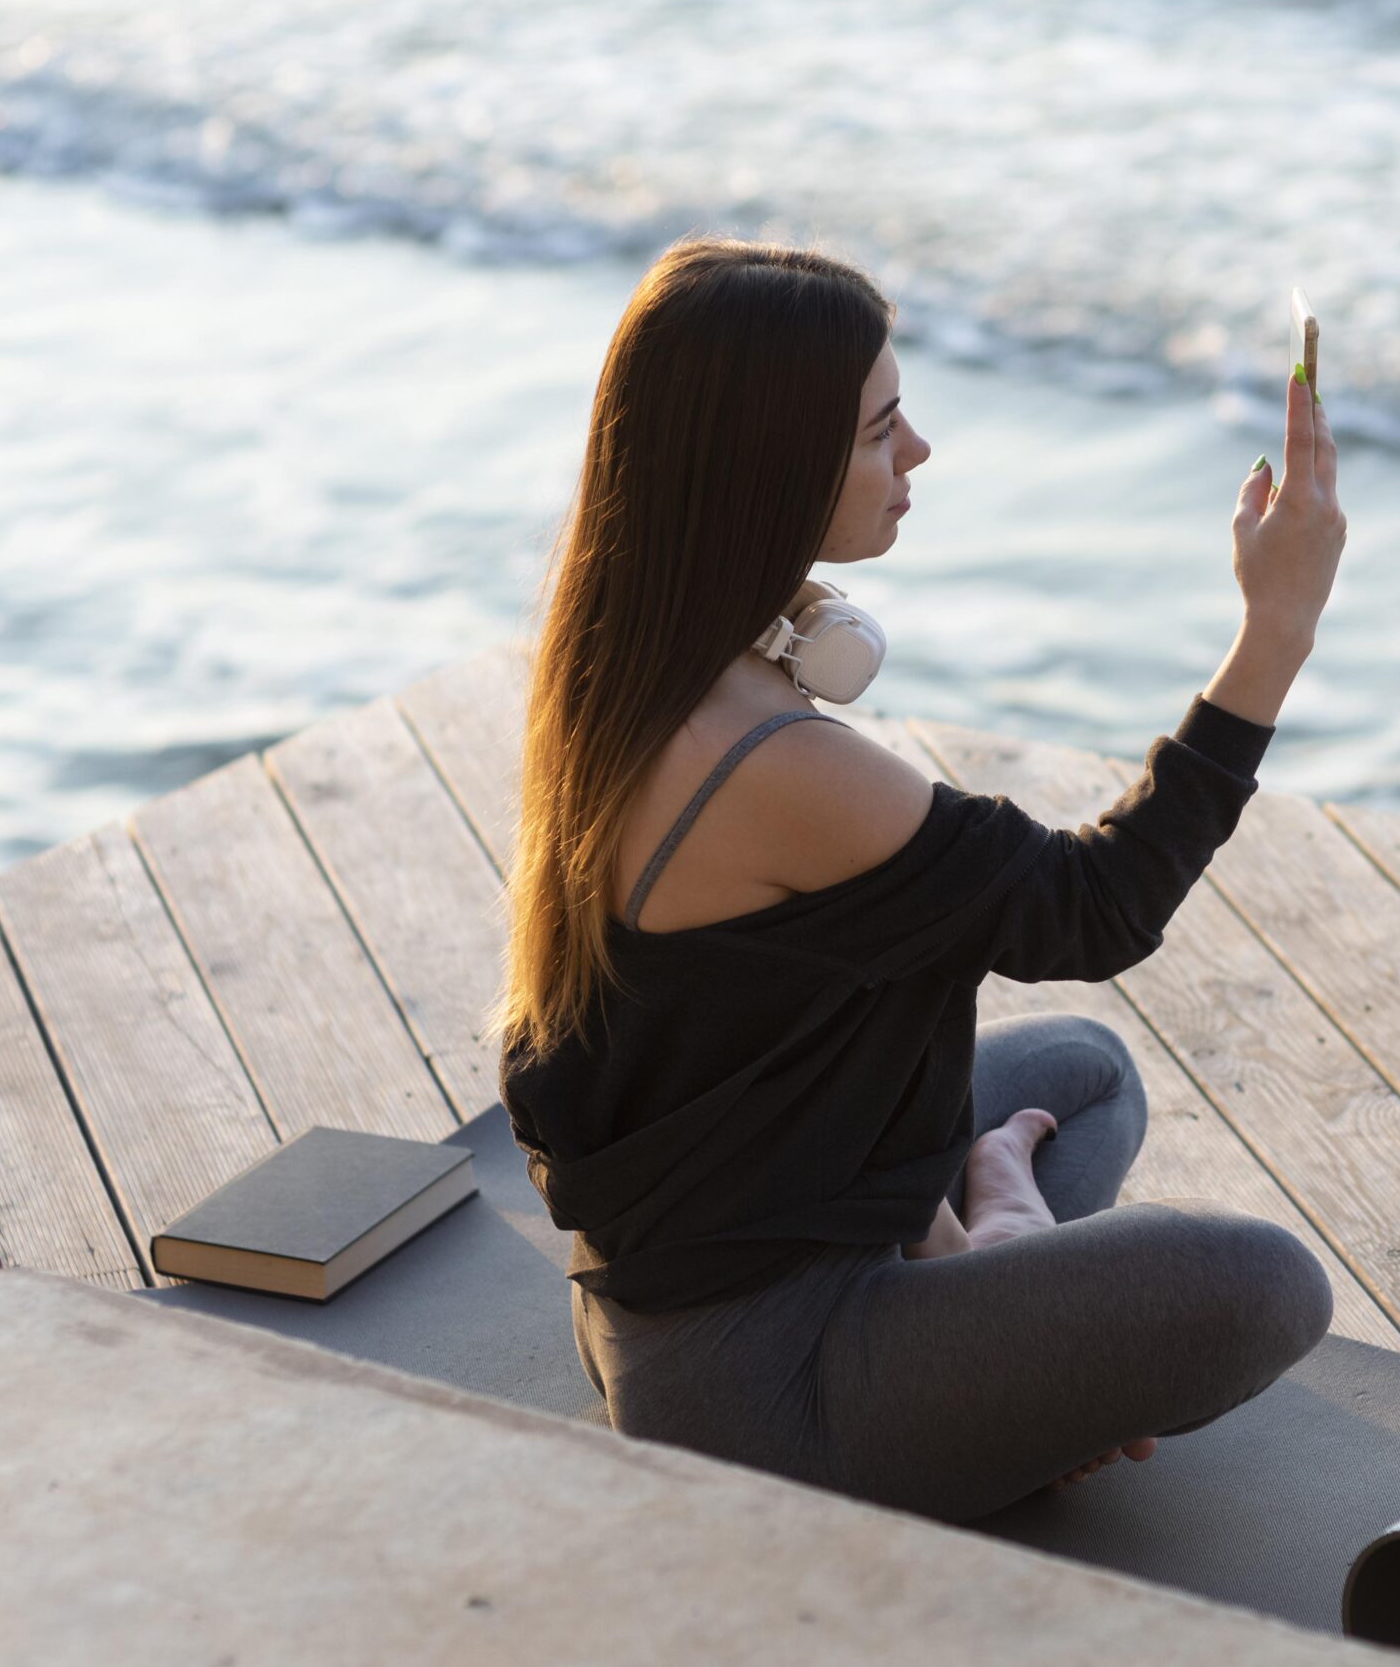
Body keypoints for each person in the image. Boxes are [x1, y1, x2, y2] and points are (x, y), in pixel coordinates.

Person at [489, 233, 1349, 1524]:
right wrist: (1275, 629)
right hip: (761, 1392)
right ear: (771, 470)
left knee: (1079, 1071)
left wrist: (961, 1232)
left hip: (694, 1281)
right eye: (881, 430)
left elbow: (817, 1013)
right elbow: (1092, 907)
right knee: (1266, 1285)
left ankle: (988, 1294)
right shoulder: (773, 762)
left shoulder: (636, 664)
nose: (919, 454)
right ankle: (989, 1329)